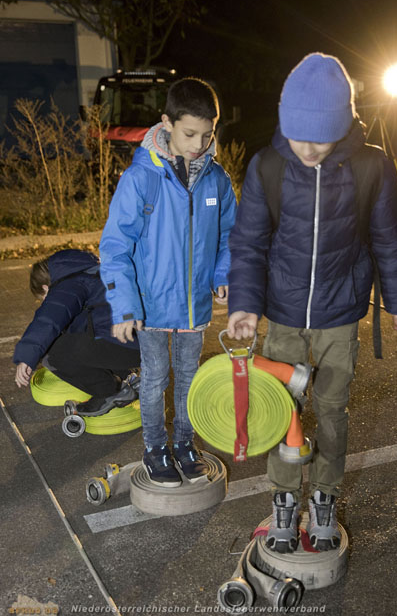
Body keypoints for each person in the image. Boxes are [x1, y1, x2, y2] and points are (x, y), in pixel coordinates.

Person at [227, 53, 397, 552]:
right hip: (283, 316)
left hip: (339, 316)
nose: (307, 148)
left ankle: (325, 500)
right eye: (297, 136)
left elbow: (389, 238)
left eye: (320, 137)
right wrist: (244, 304)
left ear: (343, 127)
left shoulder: (371, 166)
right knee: (278, 408)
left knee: (332, 411)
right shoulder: (267, 166)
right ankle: (285, 502)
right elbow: (248, 242)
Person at [99, 77, 237, 487]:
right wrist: (125, 305)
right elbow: (115, 246)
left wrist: (223, 273)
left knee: (190, 379)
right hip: (151, 306)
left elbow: (231, 235)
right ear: (167, 123)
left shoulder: (217, 180)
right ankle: (155, 447)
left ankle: (185, 444)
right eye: (189, 133)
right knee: (155, 379)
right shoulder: (142, 178)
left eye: (207, 134)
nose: (198, 144)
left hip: (194, 305)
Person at [14, 249, 141, 414]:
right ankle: (126, 376)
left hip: (126, 344)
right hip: (139, 342)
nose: (43, 303)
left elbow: (49, 319)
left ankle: (111, 391)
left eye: (42, 298)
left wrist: (26, 356)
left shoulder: (67, 285)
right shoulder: (90, 273)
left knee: (51, 354)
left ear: (47, 287)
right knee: (73, 336)